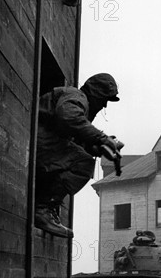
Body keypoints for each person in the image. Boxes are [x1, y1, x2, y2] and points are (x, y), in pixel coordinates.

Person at [35, 73, 123, 238]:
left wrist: (98, 148)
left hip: (44, 143)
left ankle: (44, 207)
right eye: (104, 99)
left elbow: (74, 137)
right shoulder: (76, 96)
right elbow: (68, 117)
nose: (104, 105)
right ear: (95, 93)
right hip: (39, 141)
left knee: (83, 158)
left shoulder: (77, 100)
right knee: (84, 164)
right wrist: (102, 138)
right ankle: (42, 209)